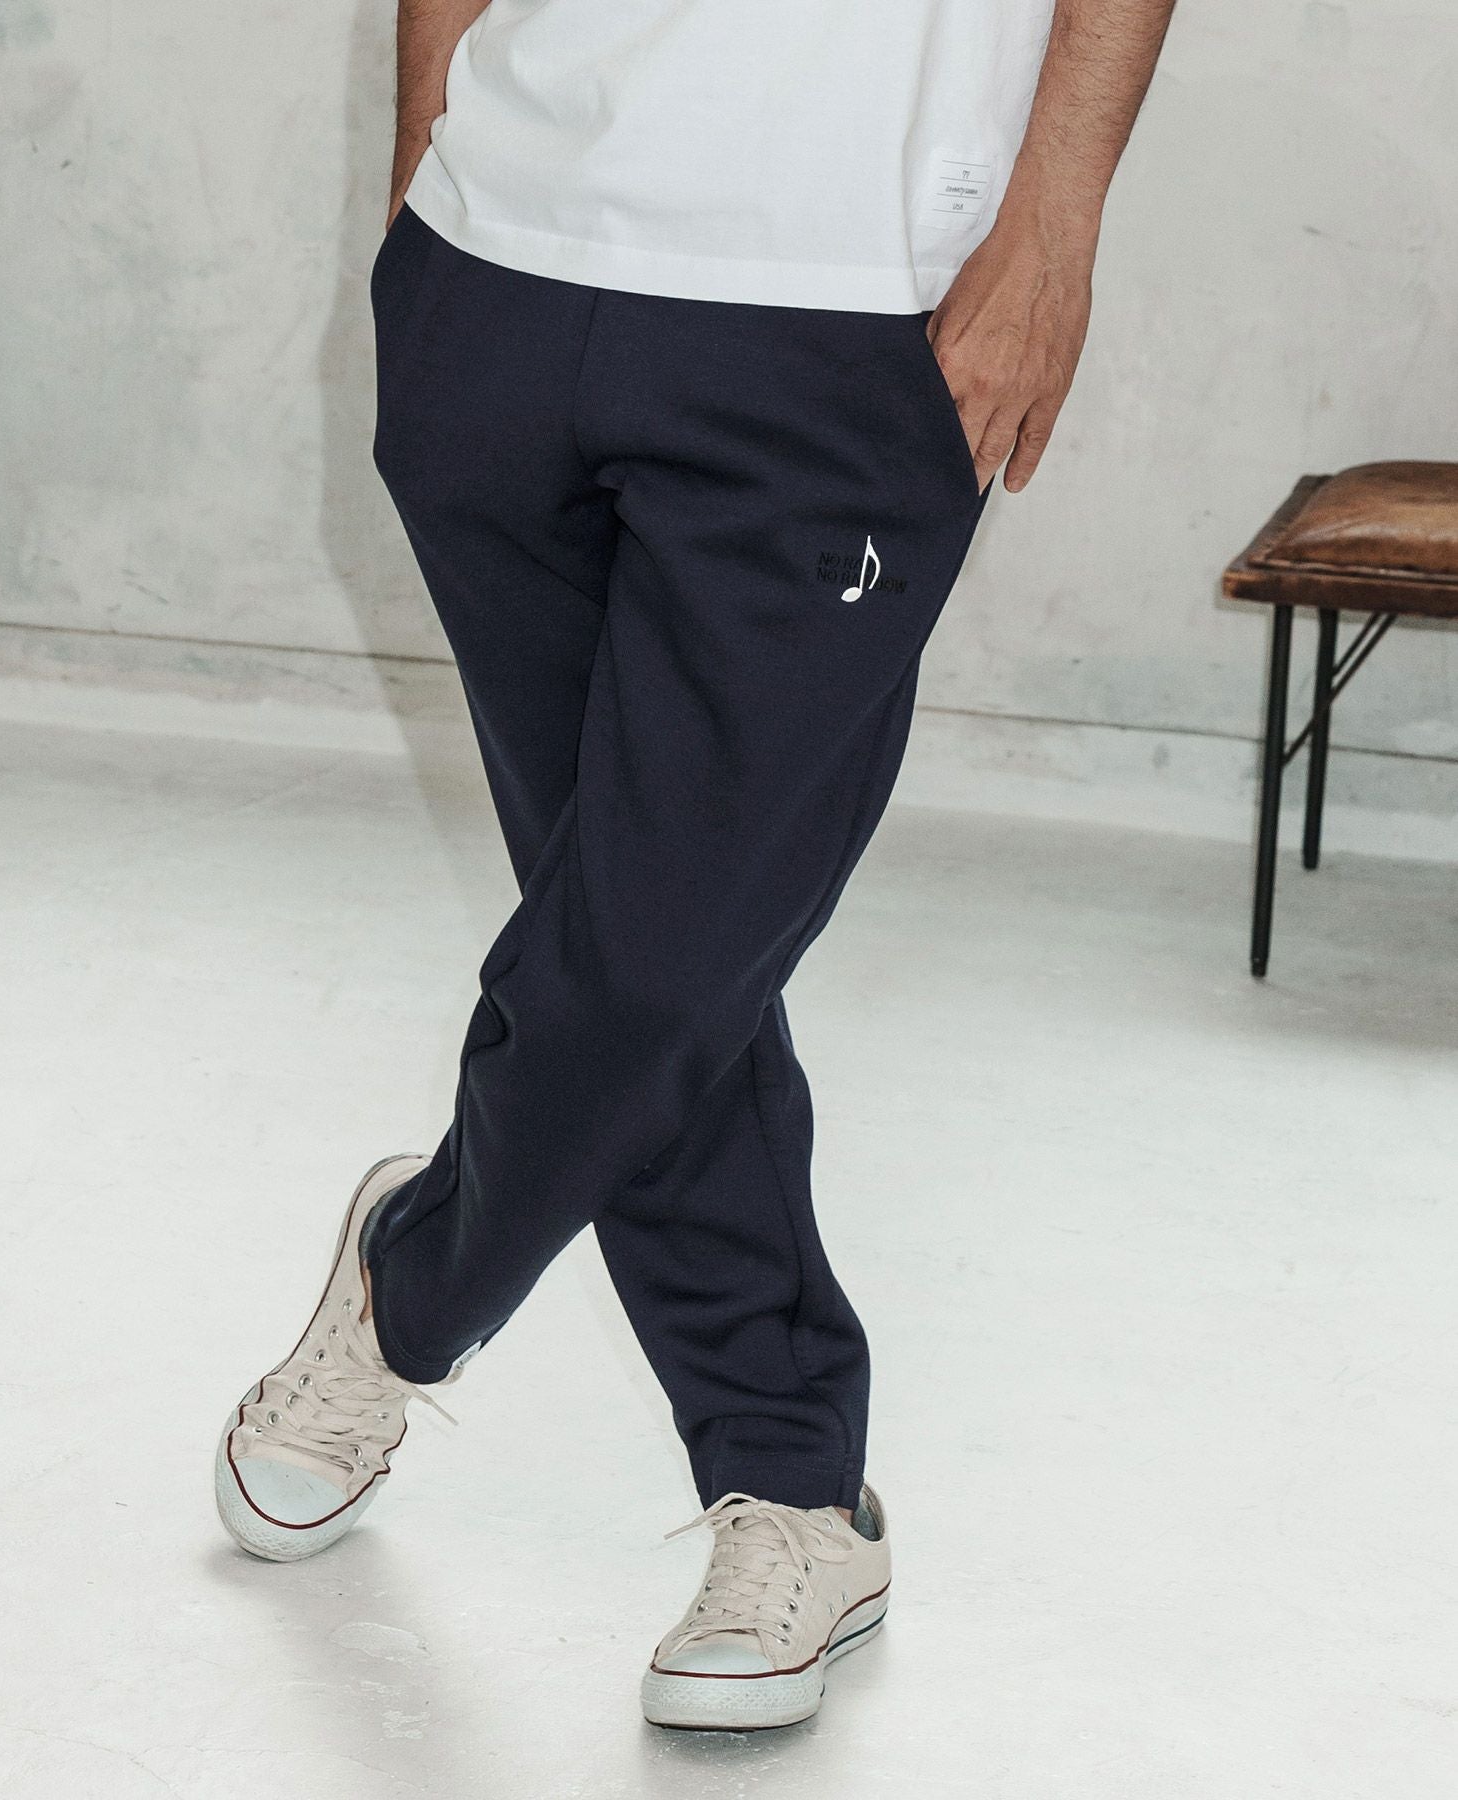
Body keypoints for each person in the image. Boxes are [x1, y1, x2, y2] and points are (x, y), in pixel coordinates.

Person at [214, 0, 1175, 1732]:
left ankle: (415, 1282)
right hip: (501, 262)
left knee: (659, 960)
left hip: (858, 305)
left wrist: (1055, 224)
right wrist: (427, 148)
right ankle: (798, 1489)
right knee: (641, 947)